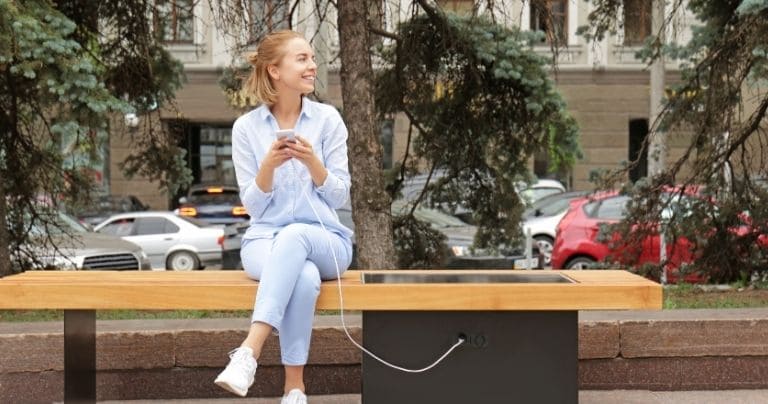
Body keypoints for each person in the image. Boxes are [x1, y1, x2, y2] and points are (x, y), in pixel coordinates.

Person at [214, 30, 354, 404]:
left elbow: (341, 195)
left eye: (312, 58)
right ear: (275, 70)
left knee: (296, 237)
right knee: (303, 276)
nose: (313, 66)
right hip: (264, 241)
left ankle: (249, 351)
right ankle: (294, 389)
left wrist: (313, 163)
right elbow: (254, 208)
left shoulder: (327, 120)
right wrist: (268, 168)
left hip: (326, 240)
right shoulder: (246, 128)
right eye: (302, 59)